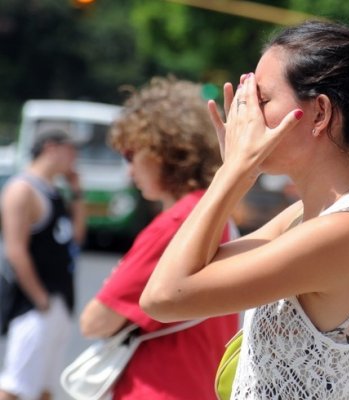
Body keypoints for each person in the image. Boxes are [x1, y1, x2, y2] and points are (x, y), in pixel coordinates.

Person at [141, 21, 349, 399]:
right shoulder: (302, 218)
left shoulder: (343, 232)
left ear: (320, 113)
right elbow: (197, 266)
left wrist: (233, 172)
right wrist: (237, 175)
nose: (247, 116)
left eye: (261, 100)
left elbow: (164, 297)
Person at [78, 77, 239, 399]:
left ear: (161, 152)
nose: (128, 171)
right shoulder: (214, 214)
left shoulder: (177, 223)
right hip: (200, 383)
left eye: (129, 155)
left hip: (157, 386)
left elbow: (95, 321)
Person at [0, 130, 86, 400]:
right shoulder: (22, 190)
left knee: (44, 386)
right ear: (51, 148)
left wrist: (77, 193)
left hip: (59, 298)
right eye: (71, 150)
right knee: (16, 384)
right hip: (33, 304)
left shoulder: (53, 190)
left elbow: (76, 237)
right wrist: (40, 299)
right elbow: (15, 250)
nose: (75, 158)